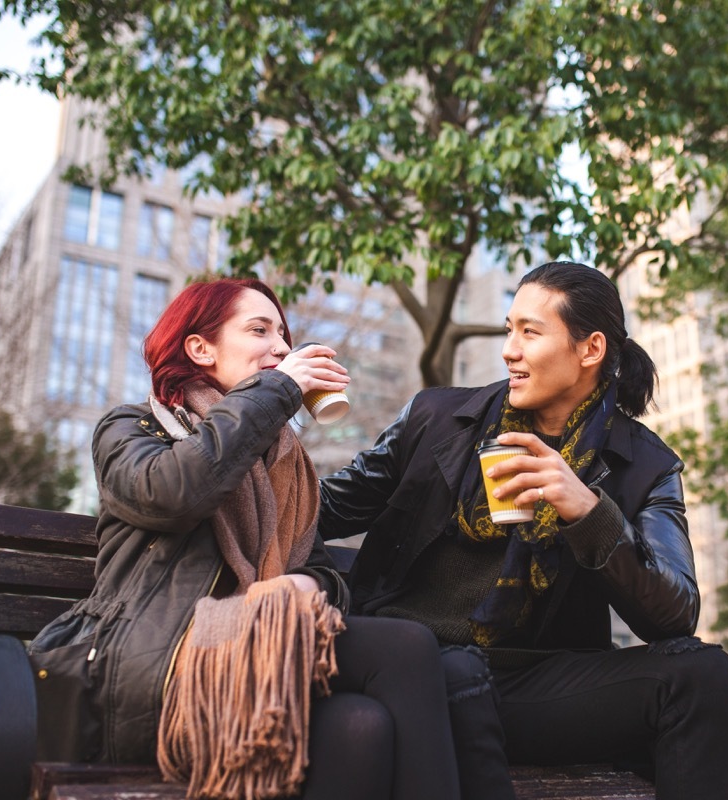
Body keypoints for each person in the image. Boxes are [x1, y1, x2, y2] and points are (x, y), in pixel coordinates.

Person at [319, 261, 728, 800]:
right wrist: (256, 421)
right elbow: (324, 507)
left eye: (530, 332)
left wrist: (587, 511)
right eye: (509, 329)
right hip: (416, 673)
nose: (509, 350)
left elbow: (675, 614)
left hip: (532, 687)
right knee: (454, 671)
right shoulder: (436, 419)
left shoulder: (645, 465)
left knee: (702, 674)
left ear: (589, 349)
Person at [27, 277, 462, 800]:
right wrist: (278, 391)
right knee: (408, 646)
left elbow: (320, 567)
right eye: (260, 330)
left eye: (283, 333)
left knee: (360, 724)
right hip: (155, 667)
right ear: (199, 348)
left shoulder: (283, 461)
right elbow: (177, 491)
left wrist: (308, 588)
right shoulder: (132, 429)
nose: (281, 346)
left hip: (261, 657)